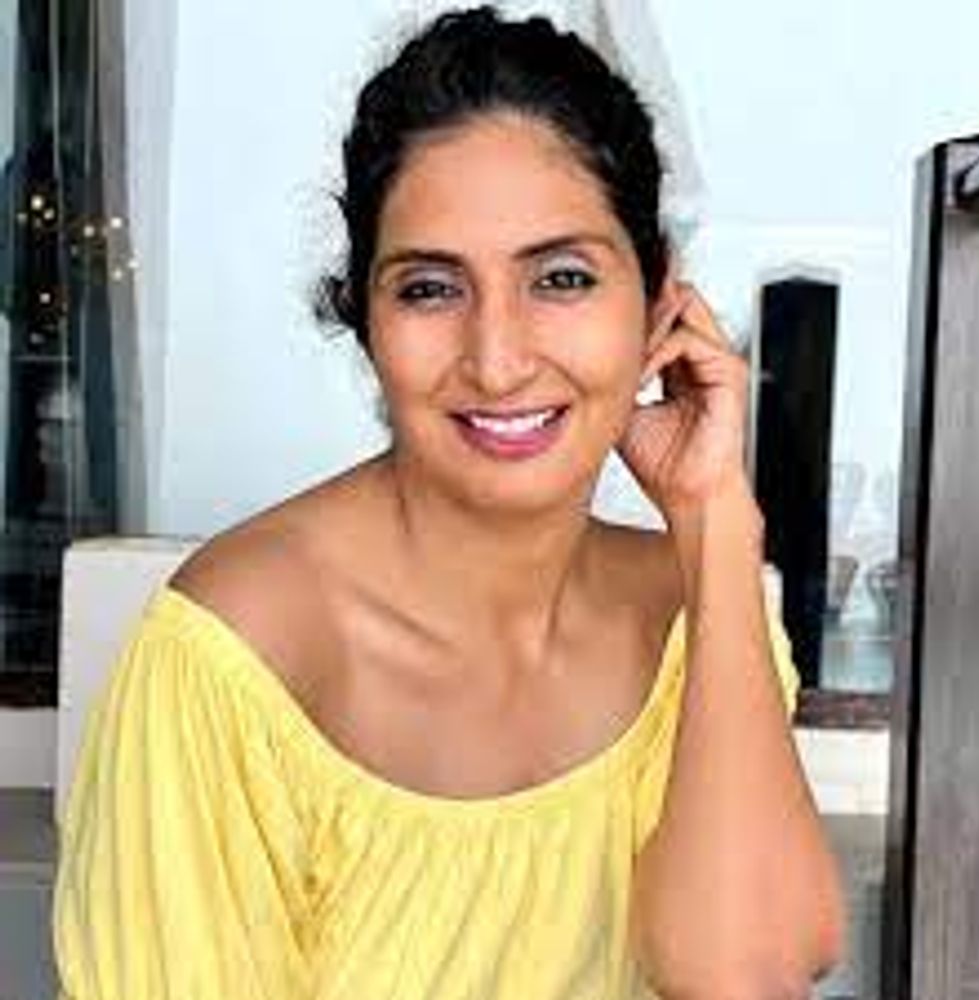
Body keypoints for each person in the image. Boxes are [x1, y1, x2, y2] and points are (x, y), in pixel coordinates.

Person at [52, 6, 845, 998]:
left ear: (657, 309)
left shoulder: (704, 610)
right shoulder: (236, 653)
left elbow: (748, 975)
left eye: (561, 278)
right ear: (366, 321)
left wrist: (717, 518)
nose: (497, 360)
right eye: (430, 288)